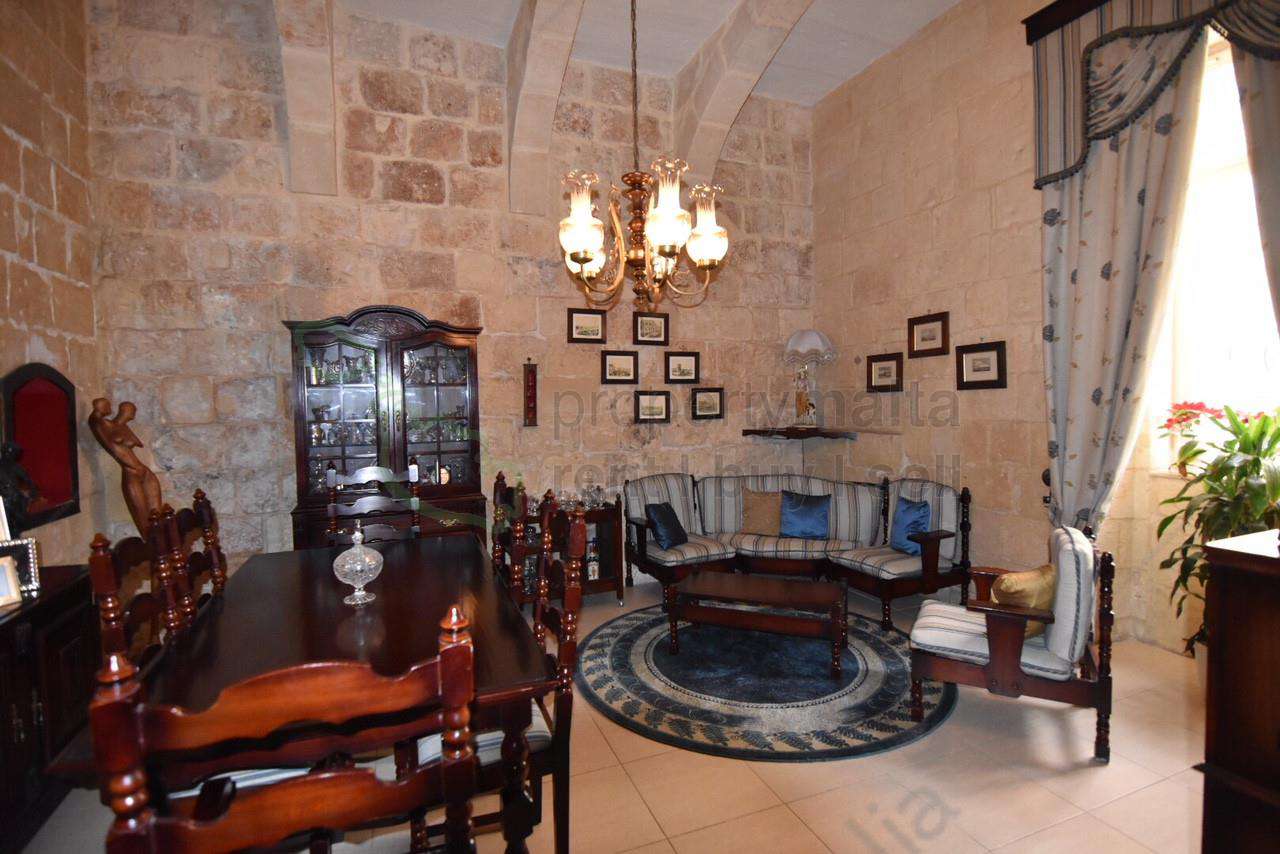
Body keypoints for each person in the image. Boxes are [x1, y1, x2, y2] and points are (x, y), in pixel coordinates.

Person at [88, 398, 163, 536]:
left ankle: (162, 542)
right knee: (144, 523)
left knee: (158, 518)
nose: (133, 414)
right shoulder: (103, 424)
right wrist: (99, 408)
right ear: (125, 410)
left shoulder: (123, 427)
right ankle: (152, 545)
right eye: (132, 410)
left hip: (144, 471)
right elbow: (94, 420)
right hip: (131, 473)